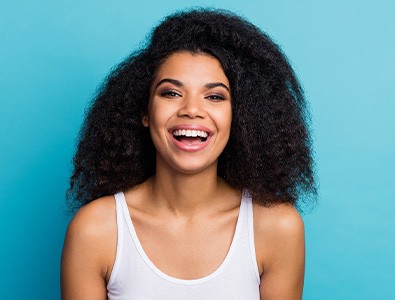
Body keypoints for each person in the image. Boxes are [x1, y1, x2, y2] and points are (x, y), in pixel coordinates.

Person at [61, 8, 316, 300]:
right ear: (145, 111)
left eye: (215, 96)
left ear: (239, 116)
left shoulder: (277, 228)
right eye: (171, 93)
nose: (192, 110)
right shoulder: (95, 231)